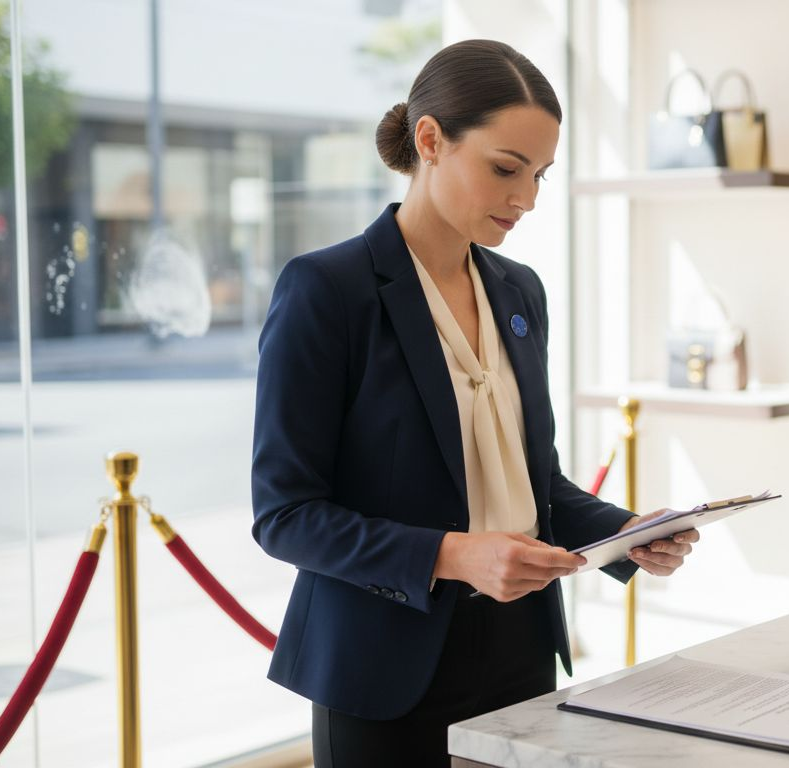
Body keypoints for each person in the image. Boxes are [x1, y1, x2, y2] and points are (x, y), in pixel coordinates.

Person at [250, 39, 699, 767]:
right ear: (429, 140)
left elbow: (532, 483)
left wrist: (627, 533)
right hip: (384, 668)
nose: (526, 199)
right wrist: (452, 555)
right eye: (504, 169)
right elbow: (286, 516)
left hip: (522, 652)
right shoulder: (327, 291)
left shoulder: (519, 290)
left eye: (541, 175)